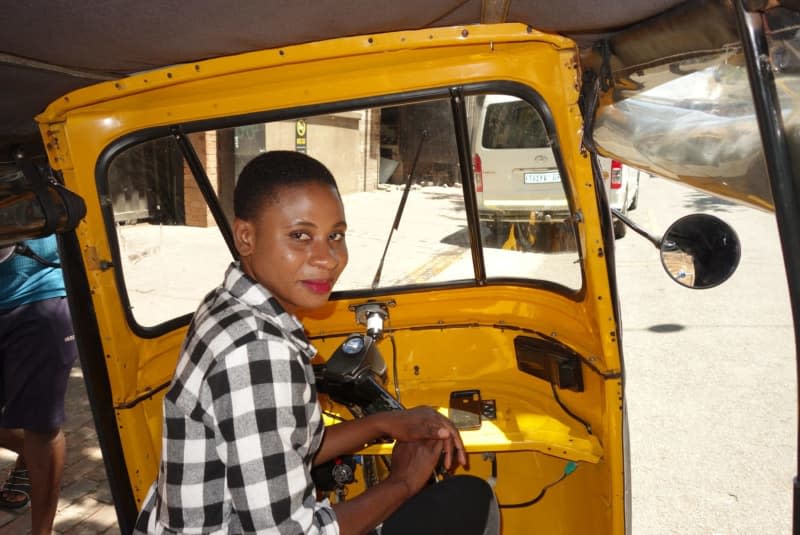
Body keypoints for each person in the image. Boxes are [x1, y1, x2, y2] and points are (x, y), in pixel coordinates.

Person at [134, 151, 498, 534]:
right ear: (246, 237)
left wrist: (385, 423)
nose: (327, 259)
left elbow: (288, 447)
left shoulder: (228, 304)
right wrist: (404, 482)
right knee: (471, 501)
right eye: (300, 236)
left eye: (335, 236)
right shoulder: (257, 354)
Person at [0, 235, 79, 534]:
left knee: (41, 427)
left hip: (36, 291)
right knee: (34, 438)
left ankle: (41, 532)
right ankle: (29, 453)